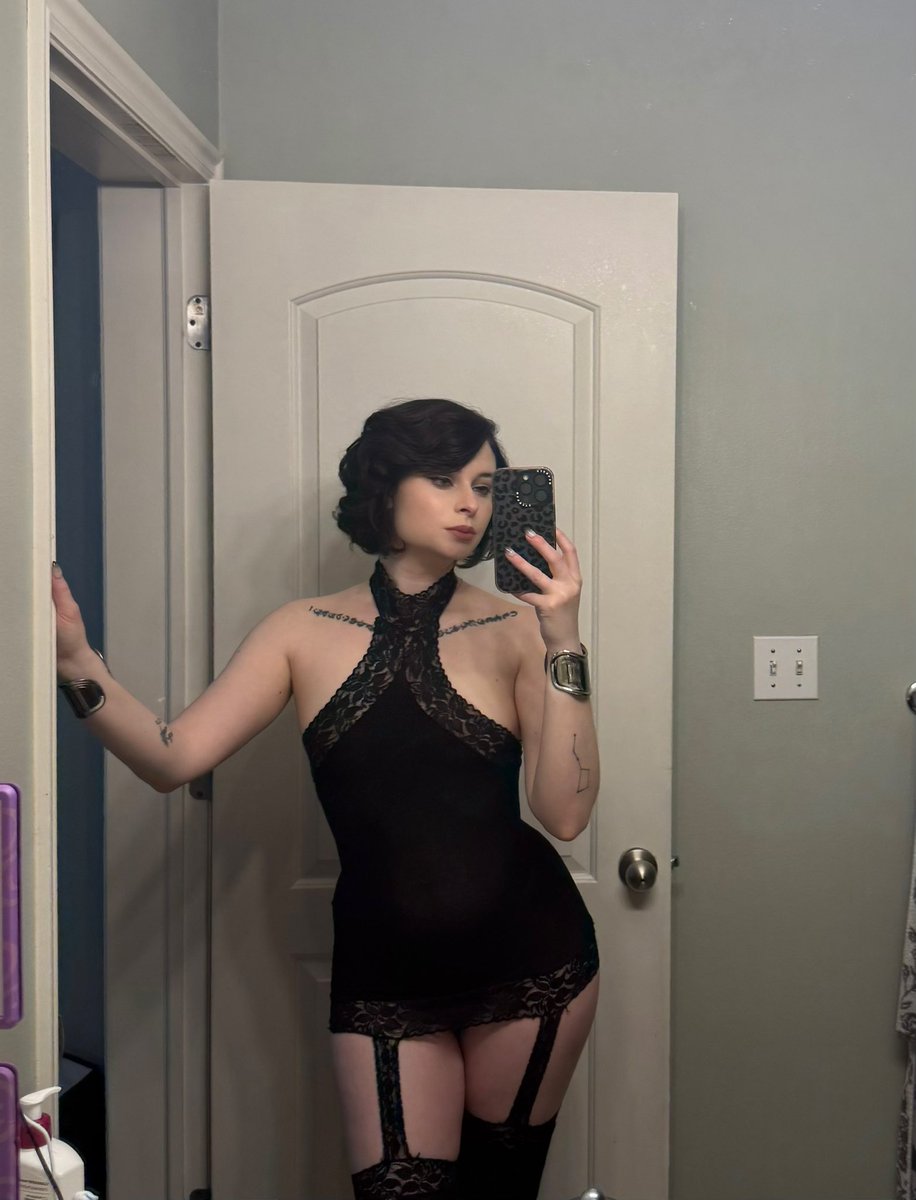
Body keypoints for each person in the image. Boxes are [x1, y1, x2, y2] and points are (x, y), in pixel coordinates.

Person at [53, 397, 600, 1200]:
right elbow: (173, 759)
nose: (469, 505)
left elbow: (565, 813)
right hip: (386, 970)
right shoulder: (298, 631)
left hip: (532, 961)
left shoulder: (519, 630)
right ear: (386, 485)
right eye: (443, 479)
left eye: (484, 487)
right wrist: (76, 664)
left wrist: (563, 639)